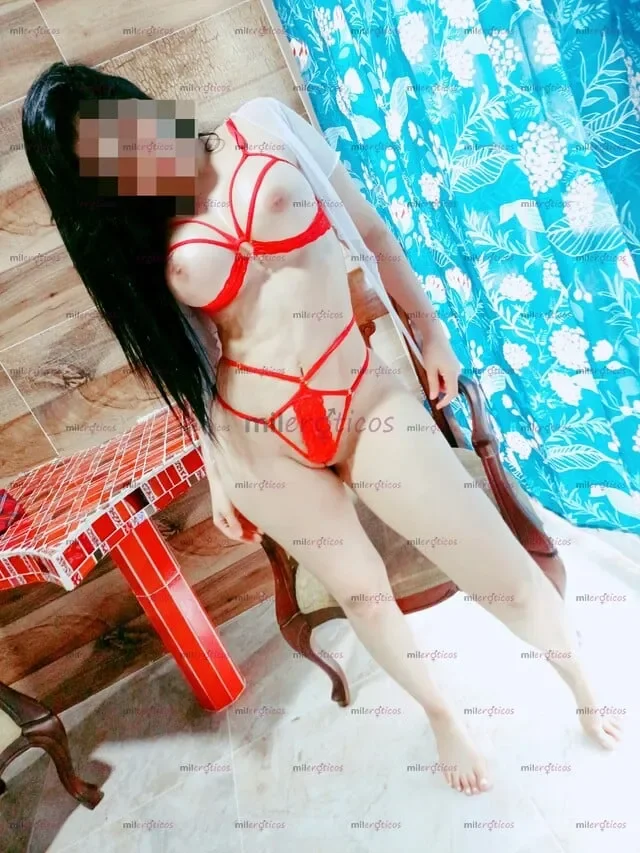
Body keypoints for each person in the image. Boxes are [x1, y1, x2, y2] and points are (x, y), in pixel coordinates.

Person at [22, 61, 621, 797]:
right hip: (258, 438)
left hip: (361, 394)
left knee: (494, 561)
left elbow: (369, 227)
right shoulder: (146, 236)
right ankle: (443, 717)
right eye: (99, 163)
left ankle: (583, 685)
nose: (129, 156)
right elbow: (194, 362)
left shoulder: (261, 123)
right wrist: (219, 470)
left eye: (119, 130)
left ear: (134, 105)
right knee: (361, 591)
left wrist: (430, 329)